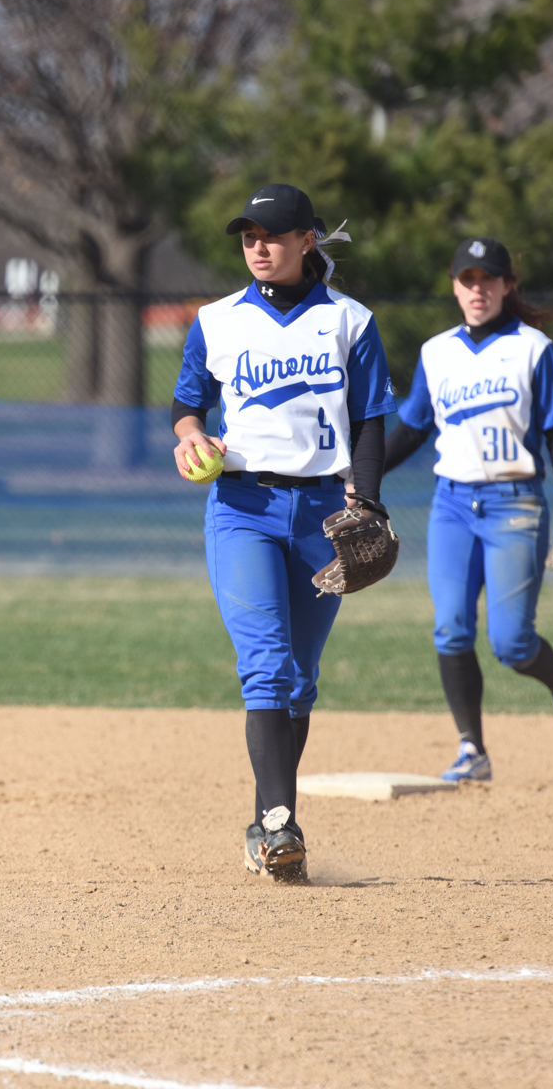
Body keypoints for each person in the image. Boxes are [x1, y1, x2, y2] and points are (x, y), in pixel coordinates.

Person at [170, 183, 394, 881]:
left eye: (271, 235)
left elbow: (369, 419)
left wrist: (369, 500)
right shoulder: (216, 320)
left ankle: (267, 820)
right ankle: (278, 824)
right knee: (265, 665)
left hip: (323, 512)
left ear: (308, 241)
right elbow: (184, 406)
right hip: (242, 508)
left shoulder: (351, 321)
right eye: (248, 237)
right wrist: (188, 437)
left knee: (299, 680)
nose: (258, 248)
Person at [381, 237, 553, 783]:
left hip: (515, 505)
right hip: (452, 504)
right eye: (467, 279)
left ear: (507, 286)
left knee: (512, 642)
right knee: (451, 629)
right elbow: (412, 428)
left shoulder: (532, 348)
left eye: (488, 279)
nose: (477, 289)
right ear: (455, 286)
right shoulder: (437, 353)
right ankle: (472, 750)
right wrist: (360, 480)